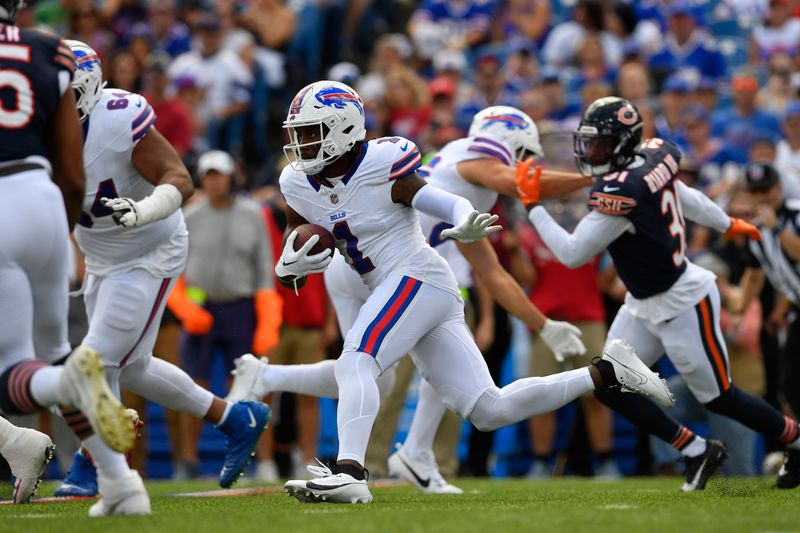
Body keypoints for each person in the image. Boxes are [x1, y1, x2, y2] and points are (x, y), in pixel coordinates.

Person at [238, 81, 673, 504]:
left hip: (415, 274)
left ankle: (351, 472)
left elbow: (442, 201)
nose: (302, 143)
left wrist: (464, 218)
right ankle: (608, 373)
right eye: (298, 134)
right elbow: (298, 234)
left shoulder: (382, 162)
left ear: (344, 127)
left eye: (311, 132)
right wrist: (289, 264)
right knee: (489, 410)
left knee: (358, 361)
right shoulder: (296, 181)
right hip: (413, 287)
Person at [516, 96, 800, 491]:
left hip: (684, 301)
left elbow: (572, 253)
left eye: (599, 143)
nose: (591, 151)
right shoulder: (651, 160)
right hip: (641, 304)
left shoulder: (622, 190)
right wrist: (726, 222)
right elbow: (684, 195)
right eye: (590, 142)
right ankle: (695, 449)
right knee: (609, 384)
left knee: (720, 397)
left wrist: (532, 207)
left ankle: (796, 440)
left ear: (621, 142)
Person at [50, 41, 271, 513]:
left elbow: (179, 178)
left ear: (84, 90)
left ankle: (96, 463)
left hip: (150, 249)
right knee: (133, 367)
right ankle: (234, 418)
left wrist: (143, 210)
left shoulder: (117, 118)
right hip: (102, 254)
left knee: (98, 360)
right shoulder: (38, 129)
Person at [0, 1, 140, 507]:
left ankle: (69, 384)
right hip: (42, 199)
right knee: (53, 353)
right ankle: (122, 485)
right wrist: (59, 237)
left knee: (16, 378)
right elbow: (73, 171)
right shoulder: (48, 49)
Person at [175, 149, 280, 476]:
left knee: (250, 384)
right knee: (195, 385)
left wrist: (267, 320)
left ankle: (263, 460)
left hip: (240, 307)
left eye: (218, 174)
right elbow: (174, 267)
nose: (214, 181)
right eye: (208, 175)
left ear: (232, 176)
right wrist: (185, 307)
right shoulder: (190, 215)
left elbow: (264, 270)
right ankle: (187, 460)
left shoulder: (253, 214)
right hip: (200, 308)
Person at [736, 162, 800, 487]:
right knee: (790, 387)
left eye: (766, 189)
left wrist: (777, 229)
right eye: (755, 191)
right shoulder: (755, 232)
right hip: (797, 311)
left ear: (777, 188)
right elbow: (758, 275)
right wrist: (737, 308)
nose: (762, 196)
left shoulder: (794, 213)